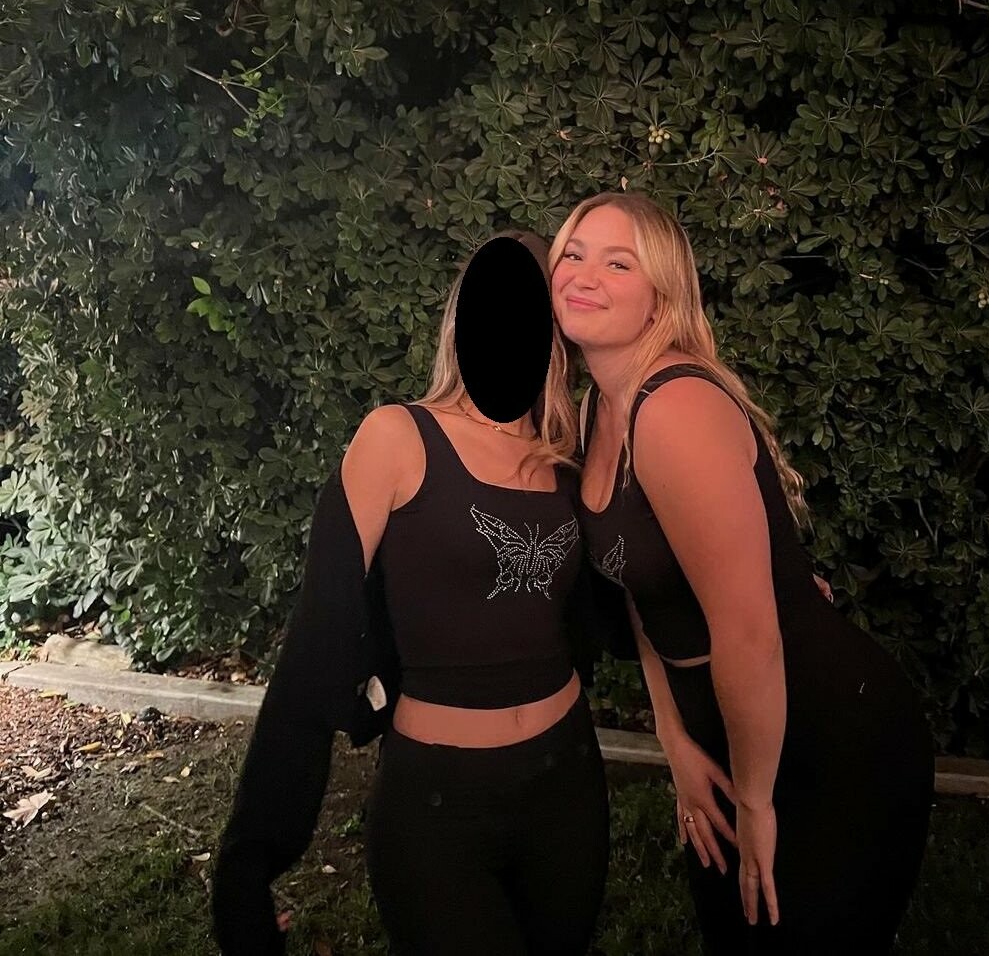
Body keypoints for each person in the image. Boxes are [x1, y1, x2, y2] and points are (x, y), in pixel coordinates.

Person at [549, 191, 933, 955]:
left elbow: (749, 634)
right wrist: (675, 739)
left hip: (821, 729)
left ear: (661, 297)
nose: (584, 275)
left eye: (618, 263)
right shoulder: (597, 409)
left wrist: (756, 801)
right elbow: (639, 593)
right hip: (724, 725)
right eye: (573, 254)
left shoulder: (674, 409)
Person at [212, 231, 609, 956]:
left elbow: (622, 594)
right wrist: (248, 865)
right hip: (436, 807)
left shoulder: (566, 458)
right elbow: (318, 638)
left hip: (569, 785)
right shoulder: (398, 438)